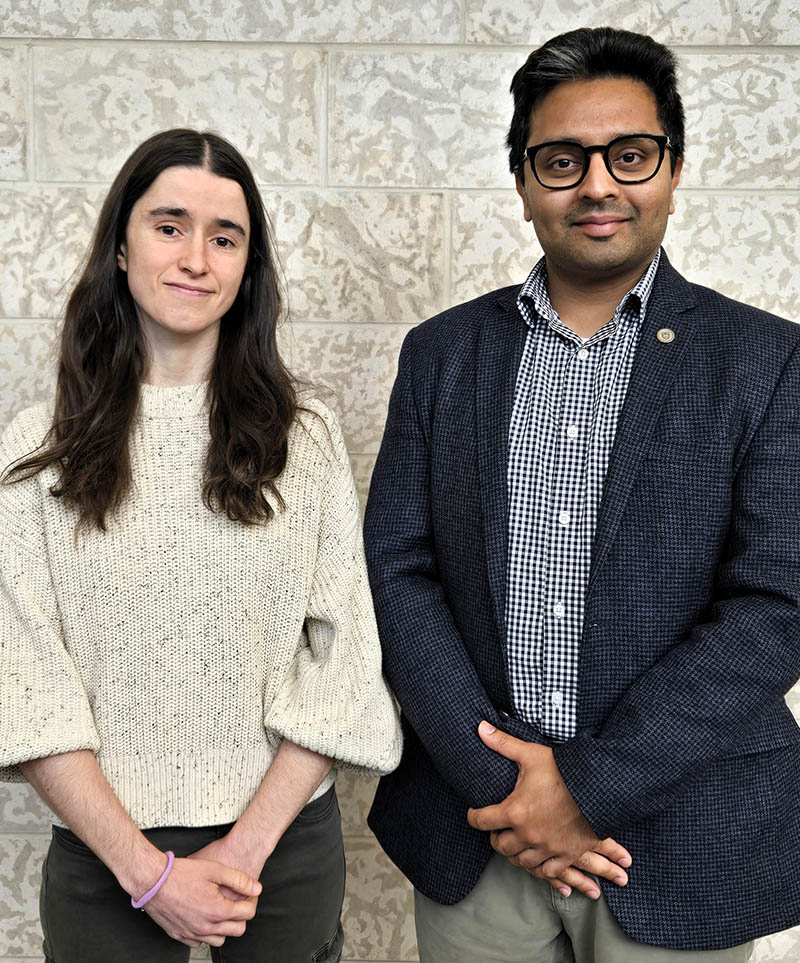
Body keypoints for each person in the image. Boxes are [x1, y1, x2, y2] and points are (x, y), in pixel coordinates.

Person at [364, 26, 800, 963]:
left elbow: (775, 607)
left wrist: (583, 790)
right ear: (523, 182)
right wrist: (509, 789)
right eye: (562, 160)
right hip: (477, 836)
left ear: (672, 170)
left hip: (679, 839)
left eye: (629, 155)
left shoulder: (767, 360)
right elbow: (397, 573)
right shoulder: (441, 356)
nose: (598, 185)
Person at [0, 128, 402, 963]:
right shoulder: (36, 450)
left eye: (226, 237)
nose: (196, 258)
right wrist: (148, 873)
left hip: (280, 848)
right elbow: (25, 685)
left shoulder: (307, 438)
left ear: (247, 267)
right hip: (105, 850)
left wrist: (244, 848)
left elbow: (342, 658)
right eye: (169, 225)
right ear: (121, 244)